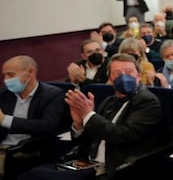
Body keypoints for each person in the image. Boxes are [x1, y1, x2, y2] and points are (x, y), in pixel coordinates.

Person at [18, 53, 162, 180]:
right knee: (31, 173)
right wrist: (79, 125)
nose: (123, 77)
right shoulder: (109, 101)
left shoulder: (147, 101)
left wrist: (89, 115)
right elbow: (89, 138)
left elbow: (123, 135)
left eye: (129, 72)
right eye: (117, 73)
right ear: (110, 78)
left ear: (138, 75)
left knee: (35, 176)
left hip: (114, 166)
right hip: (87, 162)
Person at [1, 55, 65, 179]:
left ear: (30, 72)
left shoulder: (53, 95)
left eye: (10, 75)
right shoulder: (4, 94)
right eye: (4, 75)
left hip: (25, 150)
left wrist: (5, 120)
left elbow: (47, 126)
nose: (5, 80)